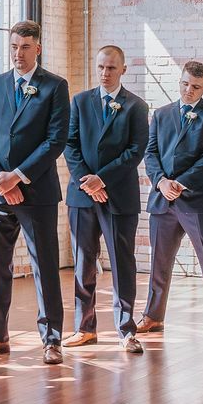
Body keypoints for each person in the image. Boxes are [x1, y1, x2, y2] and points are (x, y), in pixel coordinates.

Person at [0, 21, 71, 362]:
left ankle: (51, 339)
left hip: (38, 192)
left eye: (25, 47)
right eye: (14, 46)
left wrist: (17, 176)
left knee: (45, 266)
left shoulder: (55, 87)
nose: (18, 54)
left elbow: (55, 140)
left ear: (38, 48)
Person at [63, 45, 149, 353]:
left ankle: (126, 329)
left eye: (111, 68)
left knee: (121, 262)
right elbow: (69, 144)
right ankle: (84, 328)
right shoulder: (80, 101)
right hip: (83, 195)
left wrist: (104, 179)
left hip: (118, 196)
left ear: (123, 69)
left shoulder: (136, 106)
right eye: (100, 66)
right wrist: (88, 181)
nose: (104, 73)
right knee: (83, 262)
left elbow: (136, 150)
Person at [142, 61, 203, 341]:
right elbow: (151, 152)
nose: (188, 90)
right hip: (163, 199)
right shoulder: (161, 114)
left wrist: (180, 184)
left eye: (195, 87)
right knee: (159, 262)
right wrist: (161, 182)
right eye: (185, 84)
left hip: (198, 201)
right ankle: (153, 316)